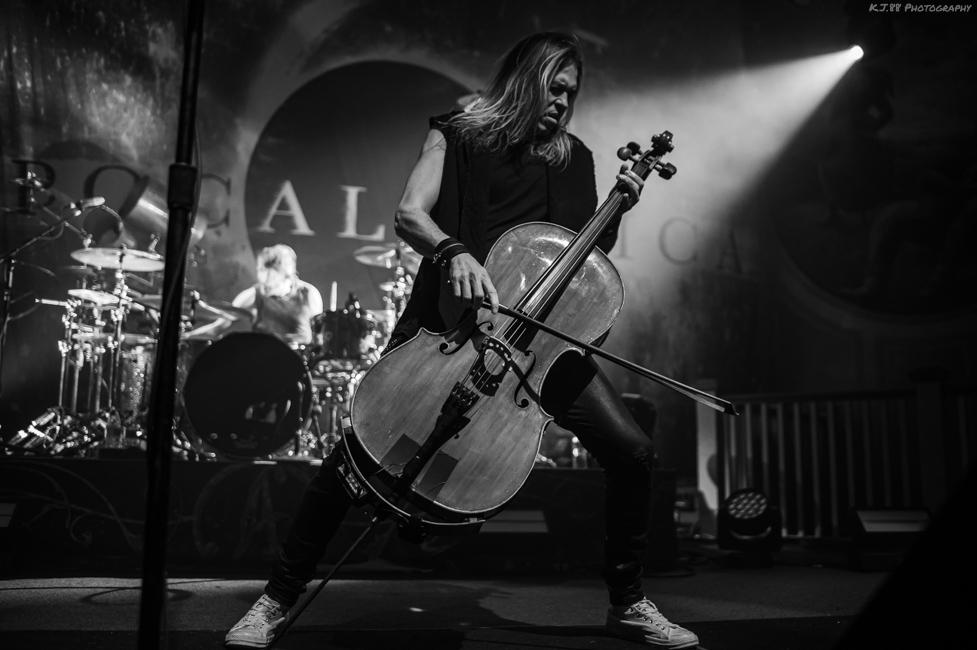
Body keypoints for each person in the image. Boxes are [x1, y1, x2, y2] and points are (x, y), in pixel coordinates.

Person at [225, 32, 699, 650]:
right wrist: (453, 251)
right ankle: (276, 599)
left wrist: (616, 211)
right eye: (552, 87)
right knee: (358, 455)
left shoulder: (575, 159)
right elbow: (409, 213)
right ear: (526, 78)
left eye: (571, 93)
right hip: (452, 324)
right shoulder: (460, 129)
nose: (561, 102)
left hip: (537, 345)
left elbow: (580, 262)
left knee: (632, 452)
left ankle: (628, 602)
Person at [192, 244, 322, 346]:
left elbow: (320, 337)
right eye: (260, 271)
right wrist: (187, 336)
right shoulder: (252, 295)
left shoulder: (309, 294)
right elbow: (217, 329)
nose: (263, 279)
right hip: (264, 364)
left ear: (286, 275)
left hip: (300, 365)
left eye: (270, 274)